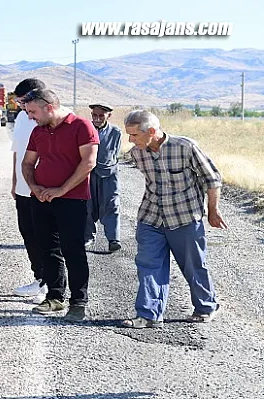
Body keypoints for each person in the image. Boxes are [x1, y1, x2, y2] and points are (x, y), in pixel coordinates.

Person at [121, 110, 226, 329]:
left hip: (185, 218)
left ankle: (207, 306)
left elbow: (212, 178)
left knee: (193, 265)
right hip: (151, 218)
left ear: (151, 131)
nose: (130, 140)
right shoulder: (137, 154)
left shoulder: (185, 147)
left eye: (134, 135)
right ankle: (149, 314)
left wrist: (213, 211)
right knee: (148, 265)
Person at [21, 88, 99, 321]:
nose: (30, 116)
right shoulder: (38, 131)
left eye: (33, 111)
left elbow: (89, 163)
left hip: (71, 200)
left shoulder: (82, 126)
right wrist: (34, 188)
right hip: (42, 199)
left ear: (49, 107)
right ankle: (55, 297)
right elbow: (27, 163)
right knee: (48, 248)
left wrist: (61, 190)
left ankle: (78, 301)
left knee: (73, 249)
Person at [10, 79, 47, 302]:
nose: (23, 107)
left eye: (24, 102)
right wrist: (14, 182)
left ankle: (51, 285)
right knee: (29, 235)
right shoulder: (23, 118)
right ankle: (39, 279)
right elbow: (17, 152)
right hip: (23, 188)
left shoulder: (47, 118)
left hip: (42, 189)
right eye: (20, 102)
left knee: (46, 238)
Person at [85, 102, 123, 252]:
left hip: (109, 174)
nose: (97, 118)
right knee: (87, 206)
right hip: (88, 174)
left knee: (112, 205)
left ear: (108, 116)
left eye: (101, 115)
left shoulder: (116, 131)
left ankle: (114, 239)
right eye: (95, 115)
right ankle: (87, 237)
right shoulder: (85, 129)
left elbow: (115, 153)